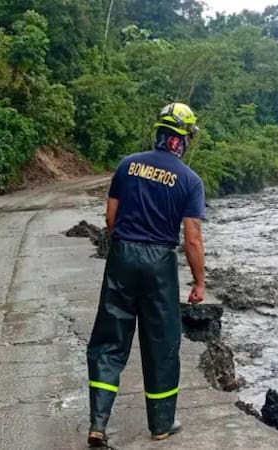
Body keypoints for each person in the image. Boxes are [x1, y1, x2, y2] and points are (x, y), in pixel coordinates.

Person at [86, 103, 206, 447]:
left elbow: (111, 219)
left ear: (159, 132)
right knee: (162, 344)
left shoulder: (127, 165)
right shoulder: (189, 180)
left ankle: (98, 422)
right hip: (159, 265)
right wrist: (198, 282)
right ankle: (161, 425)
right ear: (183, 138)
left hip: (122, 257)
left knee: (109, 340)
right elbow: (192, 237)